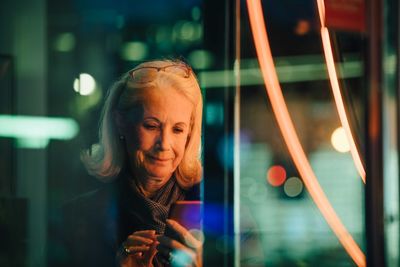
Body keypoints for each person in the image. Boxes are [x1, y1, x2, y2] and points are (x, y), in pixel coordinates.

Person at [62, 59, 203, 267]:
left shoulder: (216, 206)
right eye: (151, 126)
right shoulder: (81, 216)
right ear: (121, 123)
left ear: (189, 134)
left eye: (177, 130)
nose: (164, 144)